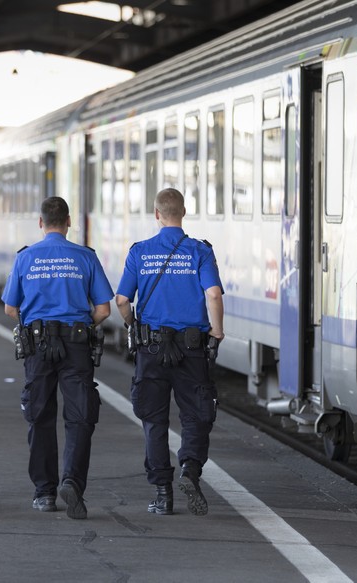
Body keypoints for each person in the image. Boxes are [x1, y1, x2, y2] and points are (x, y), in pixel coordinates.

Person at [2, 196, 113, 520]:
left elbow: (11, 308)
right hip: (76, 345)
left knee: (40, 416)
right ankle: (73, 483)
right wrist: (79, 326)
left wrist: (35, 325)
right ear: (68, 222)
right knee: (80, 416)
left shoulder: (26, 258)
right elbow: (104, 309)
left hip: (37, 346)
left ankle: (44, 493)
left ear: (41, 223)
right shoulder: (85, 256)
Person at [115, 187, 224, 516]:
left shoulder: (139, 252)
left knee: (154, 420)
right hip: (191, 348)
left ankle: (162, 494)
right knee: (195, 415)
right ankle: (190, 469)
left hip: (151, 348)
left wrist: (132, 324)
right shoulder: (199, 251)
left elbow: (122, 301)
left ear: (157, 213)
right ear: (184, 212)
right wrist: (216, 333)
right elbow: (214, 294)